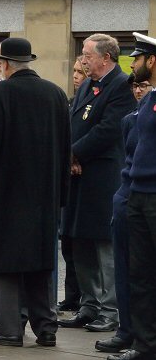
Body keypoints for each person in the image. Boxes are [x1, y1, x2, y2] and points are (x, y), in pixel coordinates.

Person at [0, 38, 71, 347]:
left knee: (5, 262)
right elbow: (66, 149)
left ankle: (10, 328)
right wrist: (61, 195)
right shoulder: (55, 94)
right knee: (40, 263)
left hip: (7, 193)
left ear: (4, 64)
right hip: (46, 195)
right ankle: (46, 328)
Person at [59, 33, 136, 333]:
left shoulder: (120, 85)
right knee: (80, 243)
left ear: (106, 57)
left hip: (102, 178)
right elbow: (73, 122)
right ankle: (88, 306)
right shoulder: (88, 84)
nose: (82, 58)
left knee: (105, 247)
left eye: (87, 54)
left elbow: (109, 130)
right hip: (77, 176)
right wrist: (69, 154)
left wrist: (75, 153)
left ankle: (110, 310)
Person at [107, 31, 156, 360]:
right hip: (138, 195)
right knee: (141, 277)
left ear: (151, 61)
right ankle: (145, 346)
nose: (132, 64)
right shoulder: (150, 101)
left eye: (136, 59)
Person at [96, 73, 152, 356]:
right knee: (128, 271)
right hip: (129, 190)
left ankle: (141, 337)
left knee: (142, 273)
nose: (138, 90)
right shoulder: (139, 110)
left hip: (145, 192)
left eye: (143, 85)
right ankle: (129, 330)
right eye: (136, 86)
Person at [59, 55, 88, 312]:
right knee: (68, 243)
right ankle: (71, 297)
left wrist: (74, 155)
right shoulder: (71, 102)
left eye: (81, 71)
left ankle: (84, 299)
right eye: (75, 71)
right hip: (69, 177)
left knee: (84, 244)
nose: (76, 76)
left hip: (86, 177)